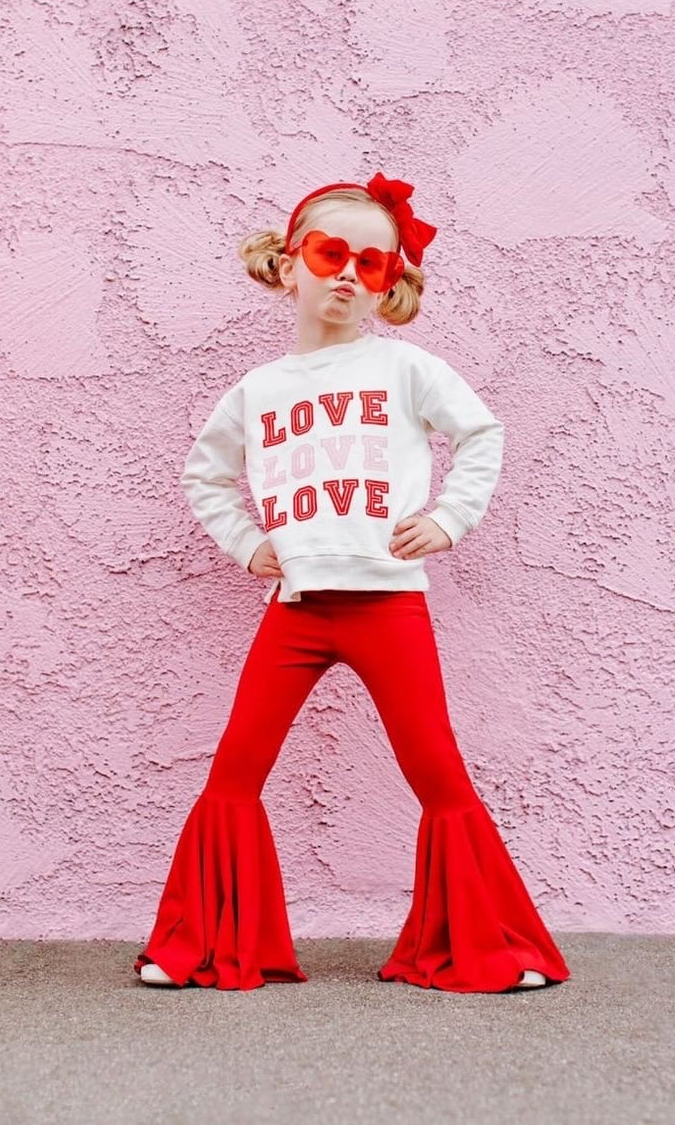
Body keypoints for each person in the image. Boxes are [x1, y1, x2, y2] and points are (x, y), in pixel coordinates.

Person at [133, 172, 571, 995]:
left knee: (437, 771)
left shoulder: (405, 368)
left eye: (370, 264)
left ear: (386, 283)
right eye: (331, 254)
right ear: (286, 262)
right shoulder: (258, 391)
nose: (346, 275)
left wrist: (448, 520)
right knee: (234, 769)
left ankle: (493, 947)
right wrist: (245, 542)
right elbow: (205, 474)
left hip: (388, 604)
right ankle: (201, 949)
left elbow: (480, 433)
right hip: (296, 609)